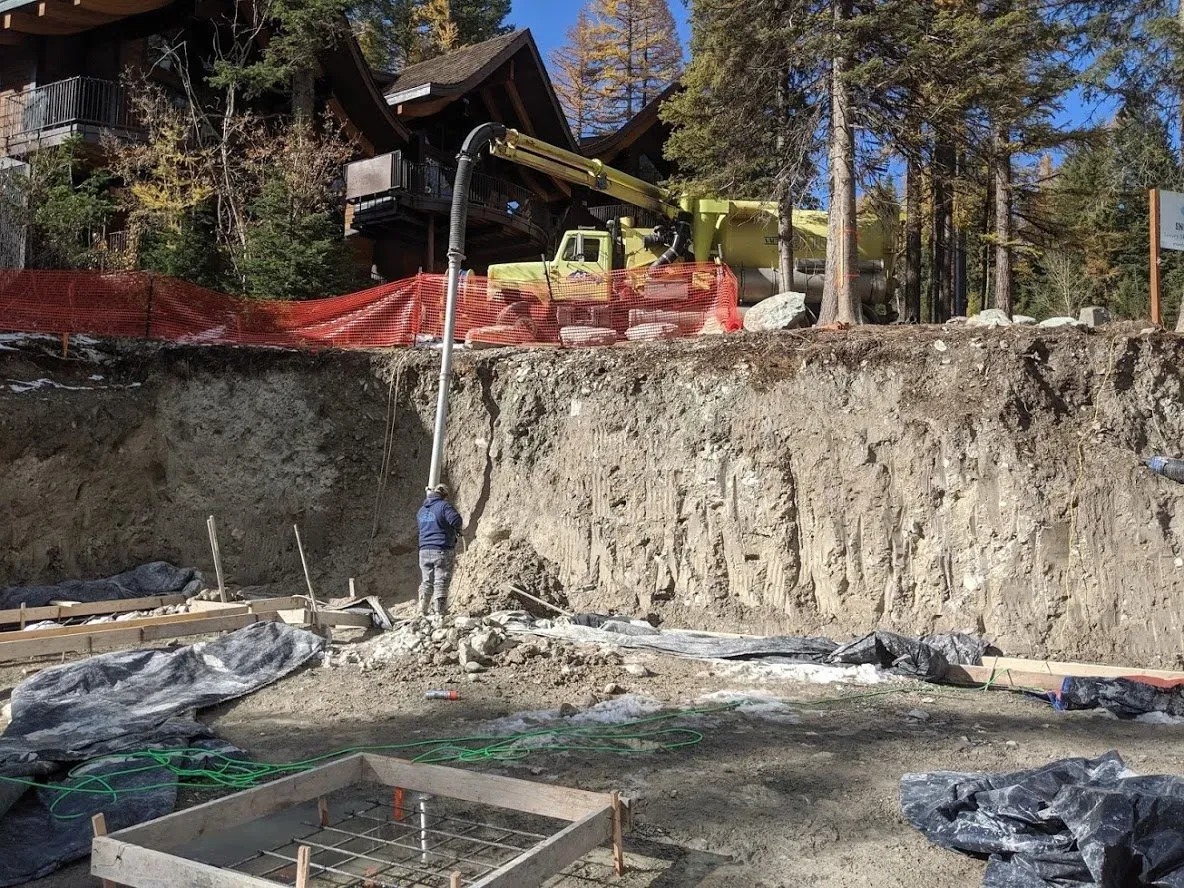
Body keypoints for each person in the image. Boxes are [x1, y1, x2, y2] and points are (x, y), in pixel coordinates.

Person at [417, 483, 463, 616]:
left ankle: (422, 609)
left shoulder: (421, 511)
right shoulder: (444, 506)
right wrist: (455, 530)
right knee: (441, 580)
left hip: (424, 550)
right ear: (444, 495)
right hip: (441, 548)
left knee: (426, 580)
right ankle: (439, 611)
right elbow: (456, 520)